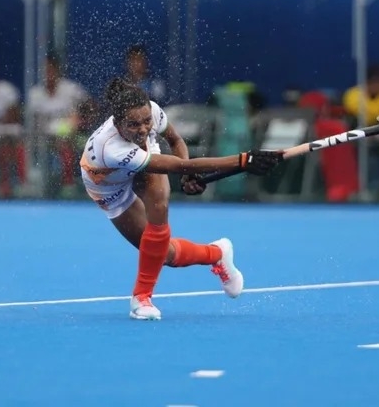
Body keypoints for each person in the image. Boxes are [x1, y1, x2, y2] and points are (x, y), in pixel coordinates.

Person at [79, 78, 283, 320]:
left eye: (146, 122)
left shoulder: (152, 111)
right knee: (163, 255)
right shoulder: (111, 148)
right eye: (133, 125)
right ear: (117, 123)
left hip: (144, 158)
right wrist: (243, 160)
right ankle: (217, 253)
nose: (143, 129)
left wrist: (190, 175)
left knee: (159, 202)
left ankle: (141, 298)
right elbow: (178, 166)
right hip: (109, 189)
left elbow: (175, 141)